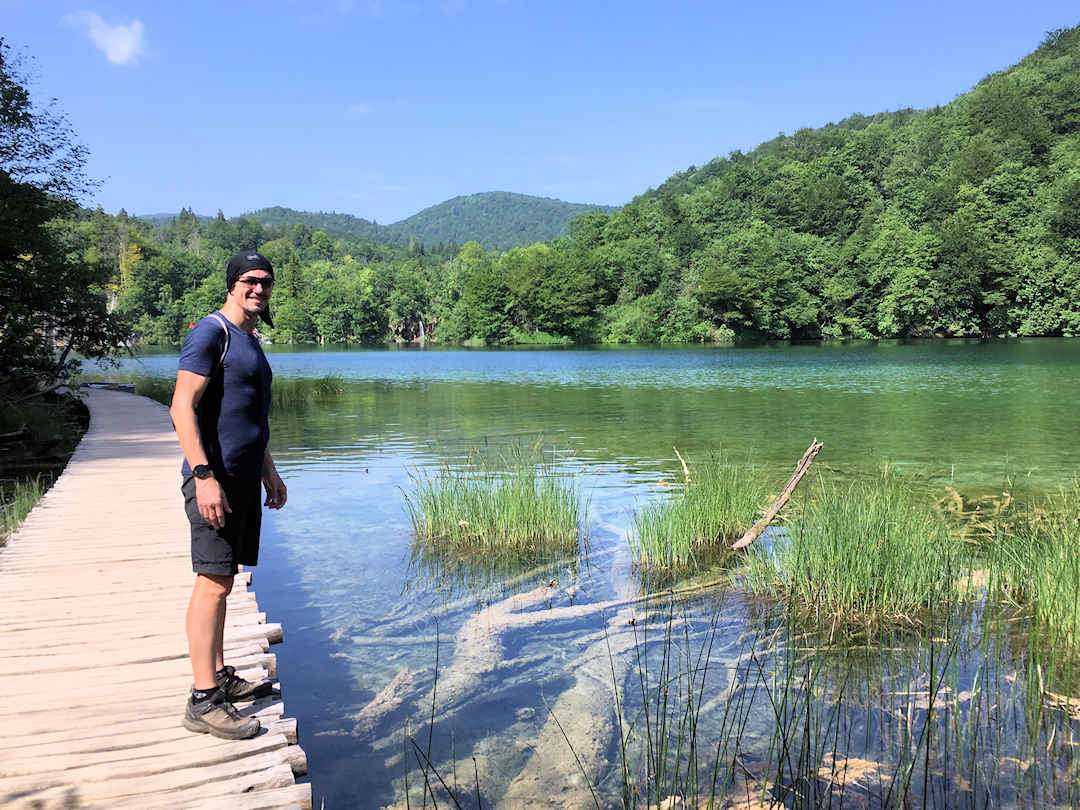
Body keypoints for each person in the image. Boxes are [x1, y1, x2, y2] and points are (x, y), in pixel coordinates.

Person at [169, 251, 288, 739]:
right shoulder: (211, 333)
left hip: (241, 478)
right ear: (233, 283)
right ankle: (202, 700)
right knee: (212, 583)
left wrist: (269, 472)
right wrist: (203, 475)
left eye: (266, 281)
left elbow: (249, 416)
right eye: (250, 280)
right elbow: (181, 406)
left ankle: (218, 677)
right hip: (212, 479)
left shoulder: (250, 339)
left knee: (225, 576)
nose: (259, 288)